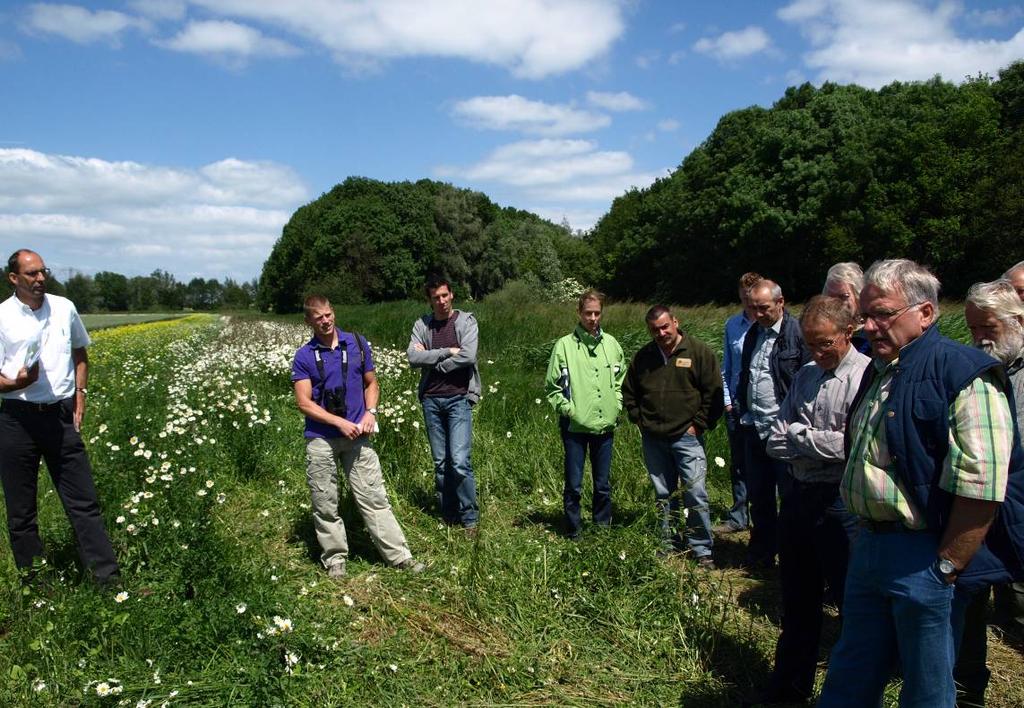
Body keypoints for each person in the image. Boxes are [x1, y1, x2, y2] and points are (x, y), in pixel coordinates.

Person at [818, 259, 1023, 708]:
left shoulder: (964, 373)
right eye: (865, 315)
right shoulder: (882, 368)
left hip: (923, 556)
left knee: (927, 689)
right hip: (870, 548)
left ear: (925, 313)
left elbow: (983, 486)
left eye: (882, 314)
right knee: (851, 673)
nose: (868, 326)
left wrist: (946, 567)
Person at [757, 296, 868, 704]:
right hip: (799, 498)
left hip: (841, 505)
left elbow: (852, 446)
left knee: (850, 604)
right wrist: (810, 442)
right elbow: (773, 438)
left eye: (826, 344)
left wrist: (801, 438)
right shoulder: (804, 376)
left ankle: (849, 692)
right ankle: (788, 690)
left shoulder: (865, 378)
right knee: (798, 601)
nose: (818, 353)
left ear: (847, 333)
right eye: (810, 344)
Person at [0, 249, 119, 584]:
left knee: (84, 503)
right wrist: (16, 383)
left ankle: (108, 581)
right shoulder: (2, 316)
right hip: (16, 419)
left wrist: (80, 394)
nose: (40, 279)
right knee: (22, 511)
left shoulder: (64, 308)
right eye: (31, 274)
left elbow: (80, 353)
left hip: (61, 418)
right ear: (14, 278)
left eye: (43, 272)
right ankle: (35, 586)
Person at [292, 295, 423, 578]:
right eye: (318, 318)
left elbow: (371, 383)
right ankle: (335, 558)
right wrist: (338, 422)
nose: (325, 321)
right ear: (308, 321)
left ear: (333, 313)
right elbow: (303, 402)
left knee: (374, 496)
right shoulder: (304, 356)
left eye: (328, 315)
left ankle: (399, 556)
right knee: (324, 500)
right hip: (321, 437)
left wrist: (371, 412)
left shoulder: (358, 344)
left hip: (358, 435)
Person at [955, 279, 1024, 707]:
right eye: (974, 329)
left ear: (1017, 322)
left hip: (1018, 504)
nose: (980, 338)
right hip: (984, 506)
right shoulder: (980, 369)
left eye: (988, 328)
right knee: (971, 600)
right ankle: (968, 694)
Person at [622, 305, 723, 567]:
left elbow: (714, 393)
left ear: (675, 322)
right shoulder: (644, 357)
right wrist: (639, 419)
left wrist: (699, 425)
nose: (662, 332)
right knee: (663, 493)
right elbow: (629, 391)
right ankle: (667, 543)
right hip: (654, 437)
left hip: (687, 436)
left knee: (696, 491)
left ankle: (702, 549)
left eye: (665, 326)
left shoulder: (698, 351)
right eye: (655, 329)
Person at [735, 280, 810, 568]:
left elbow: (806, 381)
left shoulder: (797, 334)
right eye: (753, 308)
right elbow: (747, 375)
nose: (758, 313)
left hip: (784, 430)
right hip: (755, 426)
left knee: (791, 497)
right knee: (759, 494)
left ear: (780, 303)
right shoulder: (754, 333)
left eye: (764, 308)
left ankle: (794, 556)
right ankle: (762, 551)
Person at [544, 289, 625, 538]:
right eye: (588, 313)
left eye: (597, 313)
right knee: (574, 483)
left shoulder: (612, 344)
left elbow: (621, 379)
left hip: (604, 426)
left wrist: (617, 406)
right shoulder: (564, 346)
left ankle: (601, 529)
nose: (592, 318)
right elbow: (552, 387)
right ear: (579, 313)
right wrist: (570, 411)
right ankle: (574, 530)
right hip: (575, 428)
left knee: (602, 485)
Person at [407, 276, 480, 531]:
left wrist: (438, 363)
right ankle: (449, 516)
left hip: (459, 398)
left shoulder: (466, 322)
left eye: (444, 295)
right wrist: (447, 352)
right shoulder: (422, 325)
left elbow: (469, 355)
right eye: (435, 297)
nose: (441, 301)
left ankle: (470, 518)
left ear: (452, 296)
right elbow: (413, 357)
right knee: (441, 463)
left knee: (459, 460)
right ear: (430, 300)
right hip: (431, 401)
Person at [715, 271, 762, 535]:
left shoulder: (772, 326)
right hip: (736, 404)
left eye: (751, 296)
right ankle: (738, 515)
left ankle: (764, 515)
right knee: (739, 462)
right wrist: (727, 402)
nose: (747, 302)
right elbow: (727, 367)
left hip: (763, 408)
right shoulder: (732, 325)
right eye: (743, 297)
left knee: (764, 464)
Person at [823, 262, 871, 355]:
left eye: (843, 296)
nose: (836, 303)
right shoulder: (822, 333)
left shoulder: (871, 332)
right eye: (831, 298)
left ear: (858, 296)